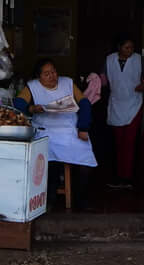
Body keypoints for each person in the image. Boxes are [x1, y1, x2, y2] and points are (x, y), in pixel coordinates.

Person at [25, 57, 96, 210]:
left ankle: (81, 200)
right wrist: (31, 109)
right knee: (48, 162)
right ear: (39, 76)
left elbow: (84, 103)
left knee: (85, 162)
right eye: (46, 74)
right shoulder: (32, 86)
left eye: (53, 71)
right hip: (46, 132)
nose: (52, 76)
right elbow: (19, 104)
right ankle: (49, 199)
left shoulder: (68, 83)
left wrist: (83, 127)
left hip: (70, 130)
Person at [102, 38, 144, 188]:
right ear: (119, 47)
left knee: (129, 142)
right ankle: (118, 176)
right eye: (127, 47)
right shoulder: (109, 60)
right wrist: (95, 81)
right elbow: (103, 79)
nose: (130, 50)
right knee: (118, 142)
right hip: (116, 104)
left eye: (132, 47)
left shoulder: (139, 59)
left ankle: (127, 178)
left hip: (134, 104)